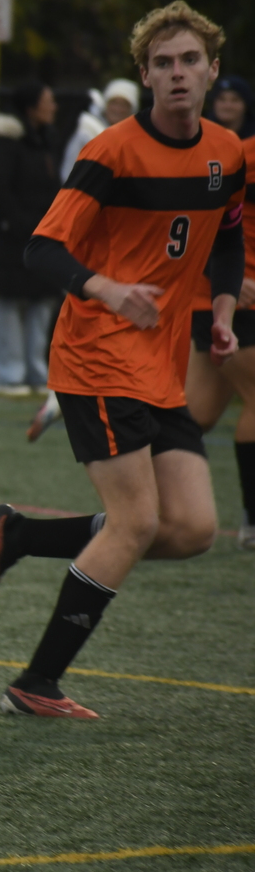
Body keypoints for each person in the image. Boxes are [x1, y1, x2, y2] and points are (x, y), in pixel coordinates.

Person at [0, 1, 244, 718]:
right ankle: (36, 684)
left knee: (190, 531)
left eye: (189, 61)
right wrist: (108, 289)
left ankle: (19, 534)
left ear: (212, 70)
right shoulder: (110, 152)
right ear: (144, 76)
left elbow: (225, 239)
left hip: (159, 364)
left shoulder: (227, 153)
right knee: (135, 524)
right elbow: (42, 247)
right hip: (95, 358)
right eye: (163, 64)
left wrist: (218, 310)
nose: (177, 74)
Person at [30, 79, 141, 441]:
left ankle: (66, 395)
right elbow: (70, 183)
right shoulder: (92, 135)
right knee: (84, 308)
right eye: (114, 103)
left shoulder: (146, 141)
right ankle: (60, 394)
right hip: (91, 240)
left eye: (125, 104)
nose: (118, 109)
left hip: (128, 249)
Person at [186, 75, 255, 549]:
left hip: (209, 295)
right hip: (235, 298)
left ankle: (143, 496)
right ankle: (252, 519)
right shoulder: (239, 154)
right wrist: (228, 277)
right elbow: (203, 221)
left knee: (195, 415)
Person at [0, 82, 62, 397]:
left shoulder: (47, 139)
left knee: (41, 301)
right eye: (47, 101)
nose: (53, 107)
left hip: (42, 234)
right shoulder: (8, 139)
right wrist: (19, 223)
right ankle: (9, 375)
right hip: (10, 238)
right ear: (31, 107)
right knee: (9, 302)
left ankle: (37, 373)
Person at [207, 75, 255, 139]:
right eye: (221, 99)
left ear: (246, 104)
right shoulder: (199, 133)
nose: (227, 106)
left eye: (235, 100)